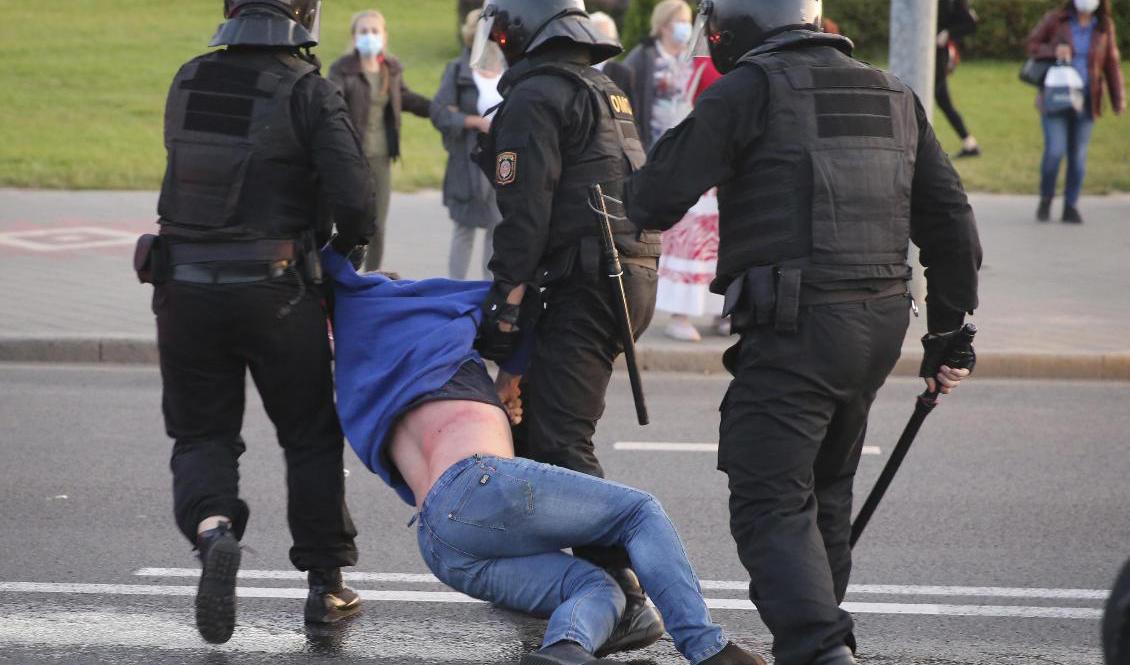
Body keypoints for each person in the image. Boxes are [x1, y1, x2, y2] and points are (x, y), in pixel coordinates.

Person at [625, 1, 983, 663]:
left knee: (768, 497)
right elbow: (952, 222)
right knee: (824, 495)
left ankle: (820, 650)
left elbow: (653, 198)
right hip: (877, 325)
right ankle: (816, 636)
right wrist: (947, 336)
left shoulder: (749, 89)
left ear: (738, 22)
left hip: (796, 328)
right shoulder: (892, 92)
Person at [320, 247, 766, 665]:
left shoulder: (359, 383)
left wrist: (498, 396)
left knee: (598, 588)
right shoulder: (427, 312)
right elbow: (520, 304)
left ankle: (565, 650)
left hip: (441, 544)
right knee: (638, 513)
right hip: (477, 484)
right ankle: (706, 648)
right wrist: (508, 380)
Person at [145, 0, 375, 644]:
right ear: (302, 13)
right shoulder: (309, 90)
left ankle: (214, 530)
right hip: (277, 290)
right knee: (308, 436)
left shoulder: (189, 77)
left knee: (202, 434)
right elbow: (357, 200)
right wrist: (339, 251)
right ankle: (325, 586)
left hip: (184, 288)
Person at [469, 0, 663, 654]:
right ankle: (542, 579)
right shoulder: (604, 89)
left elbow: (525, 223)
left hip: (583, 283)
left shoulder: (535, 97)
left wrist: (504, 308)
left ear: (521, 28)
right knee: (528, 431)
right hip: (620, 276)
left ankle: (625, 595)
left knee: (557, 439)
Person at [329, 10, 433, 271]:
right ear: (354, 36)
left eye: (374, 31)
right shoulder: (342, 70)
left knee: (378, 226)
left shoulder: (391, 68)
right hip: (352, 158)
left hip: (382, 157)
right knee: (351, 222)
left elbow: (406, 98)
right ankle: (344, 274)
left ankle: (372, 278)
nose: (369, 36)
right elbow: (331, 102)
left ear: (384, 35)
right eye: (364, 31)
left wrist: (438, 109)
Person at [1027, 0, 1125, 224]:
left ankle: (1070, 205)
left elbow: (1111, 62)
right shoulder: (1056, 19)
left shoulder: (1103, 26)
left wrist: (1118, 98)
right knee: (1054, 151)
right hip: (1056, 97)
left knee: (1078, 157)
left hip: (1086, 100)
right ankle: (1046, 197)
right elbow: (1032, 45)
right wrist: (1053, 50)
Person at [654, 55, 726, 343]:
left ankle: (722, 310)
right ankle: (679, 315)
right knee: (692, 241)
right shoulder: (696, 62)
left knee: (718, 243)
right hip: (700, 156)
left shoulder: (734, 60)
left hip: (724, 158)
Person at [432, 9, 505, 280]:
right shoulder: (457, 69)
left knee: (497, 228)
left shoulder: (510, 69)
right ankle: (454, 288)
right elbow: (440, 112)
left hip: (502, 159)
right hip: (468, 159)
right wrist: (474, 121)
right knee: (465, 228)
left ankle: (490, 290)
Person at [622, 0, 696, 150]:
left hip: (686, 141)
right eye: (681, 21)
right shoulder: (644, 55)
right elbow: (624, 90)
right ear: (664, 26)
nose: (686, 27)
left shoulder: (693, 56)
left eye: (688, 22)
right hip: (652, 143)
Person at [936, 0, 981, 158]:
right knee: (943, 102)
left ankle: (913, 146)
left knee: (918, 100)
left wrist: (947, 33)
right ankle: (970, 143)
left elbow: (970, 23)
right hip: (920, 56)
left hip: (936, 57)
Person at [589, 12, 635, 104]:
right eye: (599, 36)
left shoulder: (622, 73)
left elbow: (631, 109)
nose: (603, 42)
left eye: (607, 37)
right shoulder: (574, 70)